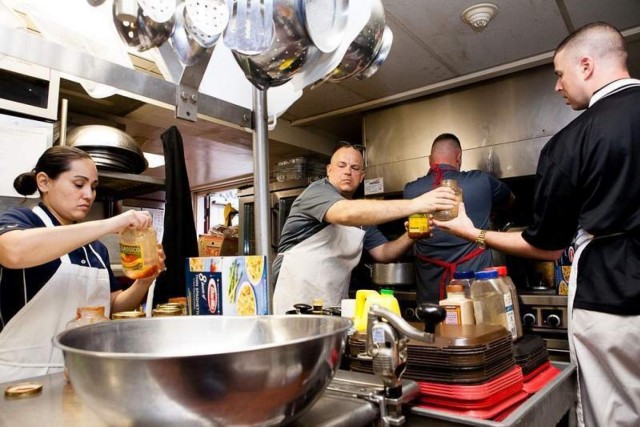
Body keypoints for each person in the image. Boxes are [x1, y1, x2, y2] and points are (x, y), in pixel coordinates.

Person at [434, 22, 640, 427]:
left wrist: (469, 230)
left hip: (613, 300)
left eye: (560, 74)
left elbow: (546, 246)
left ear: (586, 65)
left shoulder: (572, 142)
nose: (557, 87)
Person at [0, 145, 166, 382]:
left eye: (93, 187)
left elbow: (112, 305)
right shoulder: (21, 221)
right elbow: (12, 252)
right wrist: (111, 224)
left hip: (81, 375)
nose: (88, 194)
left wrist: (143, 282)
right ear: (44, 182)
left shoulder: (96, 249)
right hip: (20, 379)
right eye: (79, 184)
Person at [271, 142, 458, 314]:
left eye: (354, 168)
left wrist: (411, 235)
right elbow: (344, 213)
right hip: (295, 299)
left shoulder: (362, 216)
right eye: (341, 165)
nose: (347, 172)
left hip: (332, 303)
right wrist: (416, 204)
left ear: (361, 177)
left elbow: (384, 253)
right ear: (329, 170)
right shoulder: (317, 192)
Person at [403, 133, 514, 305]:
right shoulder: (482, 180)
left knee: (432, 332)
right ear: (459, 157)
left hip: (430, 297)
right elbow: (510, 200)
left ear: (429, 160)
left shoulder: (410, 191)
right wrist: (487, 206)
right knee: (479, 331)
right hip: (473, 292)